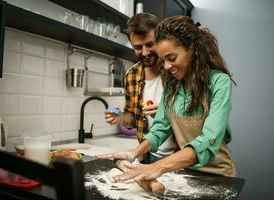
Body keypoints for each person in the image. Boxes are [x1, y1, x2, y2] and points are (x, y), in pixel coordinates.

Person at [98, 15, 237, 181]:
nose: (166, 66)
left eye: (171, 58)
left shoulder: (219, 82)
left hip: (219, 175)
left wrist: (156, 167)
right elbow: (159, 129)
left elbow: (209, 140)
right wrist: (133, 153)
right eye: (163, 60)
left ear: (192, 49)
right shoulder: (173, 86)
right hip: (184, 172)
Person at [104, 13, 174, 163]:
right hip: (149, 155)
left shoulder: (175, 69)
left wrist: (166, 112)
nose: (144, 52)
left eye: (150, 44)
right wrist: (121, 118)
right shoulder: (131, 75)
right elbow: (132, 118)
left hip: (179, 155)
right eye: (137, 47)